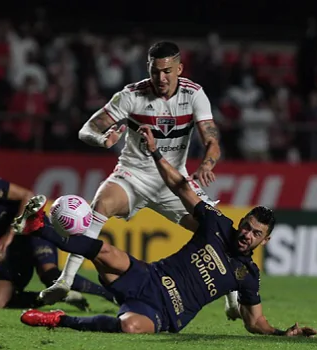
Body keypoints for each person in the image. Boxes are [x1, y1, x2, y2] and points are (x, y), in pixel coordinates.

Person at [17, 125, 317, 336]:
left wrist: (281, 334)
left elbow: (255, 322)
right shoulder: (217, 223)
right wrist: (156, 154)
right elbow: (180, 186)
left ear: (265, 241)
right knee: (105, 250)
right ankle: (39, 226)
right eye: (247, 227)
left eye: (255, 234)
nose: (247, 235)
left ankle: (60, 320)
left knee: (130, 328)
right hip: (148, 276)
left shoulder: (248, 276)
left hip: (169, 312)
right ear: (241, 223)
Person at [40, 40, 241, 317]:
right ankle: (65, 281)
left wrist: (207, 163)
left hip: (172, 180)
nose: (161, 78)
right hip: (133, 175)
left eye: (167, 71)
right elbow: (86, 129)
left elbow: (212, 139)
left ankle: (232, 300)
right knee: (100, 204)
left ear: (179, 69)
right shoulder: (131, 96)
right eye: (155, 71)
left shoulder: (194, 94)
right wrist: (101, 139)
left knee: (218, 230)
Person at [0, 161, 114, 310]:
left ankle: (109, 293)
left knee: (50, 276)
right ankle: (58, 297)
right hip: (13, 245)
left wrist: (9, 234)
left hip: (34, 230)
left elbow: (27, 196)